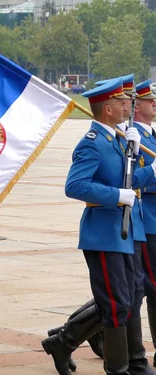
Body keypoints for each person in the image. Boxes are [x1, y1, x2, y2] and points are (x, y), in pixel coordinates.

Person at [42, 78, 156, 375]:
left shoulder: (117, 140)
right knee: (116, 303)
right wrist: (117, 196)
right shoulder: (92, 143)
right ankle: (117, 369)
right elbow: (76, 185)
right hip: (104, 232)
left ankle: (132, 363)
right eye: (122, 102)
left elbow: (127, 182)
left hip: (127, 229)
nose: (127, 106)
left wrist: (149, 171)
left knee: (130, 298)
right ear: (107, 108)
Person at [133, 79, 156, 367]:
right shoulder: (133, 138)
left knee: (129, 290)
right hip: (147, 220)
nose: (155, 104)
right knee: (151, 288)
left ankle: (69, 336)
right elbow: (132, 181)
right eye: (151, 100)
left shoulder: (151, 136)